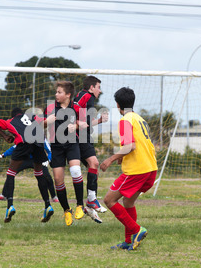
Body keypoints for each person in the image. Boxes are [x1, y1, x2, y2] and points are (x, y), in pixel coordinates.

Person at [100, 87, 158, 251]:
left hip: (137, 170)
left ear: (117, 105)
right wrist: (123, 157)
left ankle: (137, 230)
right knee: (128, 201)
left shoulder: (125, 120)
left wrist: (111, 158)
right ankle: (129, 241)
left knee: (109, 200)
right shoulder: (140, 119)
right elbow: (140, 145)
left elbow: (130, 146)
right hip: (150, 168)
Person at [45, 80, 102, 226]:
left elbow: (83, 124)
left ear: (68, 95)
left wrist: (76, 125)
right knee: (58, 180)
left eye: (59, 92)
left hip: (72, 144)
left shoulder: (76, 107)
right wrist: (46, 122)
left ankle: (79, 205)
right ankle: (66, 210)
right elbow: (39, 123)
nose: (56, 94)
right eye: (56, 92)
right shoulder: (51, 107)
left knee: (76, 170)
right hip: (56, 147)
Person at [0, 107, 54, 223]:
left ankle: (10, 206)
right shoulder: (32, 117)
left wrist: (5, 136)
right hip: (39, 143)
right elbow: (44, 121)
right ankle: (48, 205)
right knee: (39, 174)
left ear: (12, 116)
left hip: (24, 142)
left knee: (11, 172)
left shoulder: (11, 121)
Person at [74, 75, 108, 213]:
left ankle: (91, 200)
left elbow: (85, 123)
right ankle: (91, 200)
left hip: (83, 135)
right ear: (91, 87)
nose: (100, 90)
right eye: (98, 87)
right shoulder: (86, 96)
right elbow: (73, 108)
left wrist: (99, 121)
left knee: (92, 167)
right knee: (93, 164)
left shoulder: (89, 99)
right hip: (80, 136)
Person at [0, 137, 58, 203]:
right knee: (10, 174)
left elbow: (50, 151)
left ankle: (54, 196)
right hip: (24, 159)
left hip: (37, 160)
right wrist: (2, 155)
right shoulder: (23, 136)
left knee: (47, 176)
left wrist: (48, 160)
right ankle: (4, 195)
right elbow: (15, 147)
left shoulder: (41, 138)